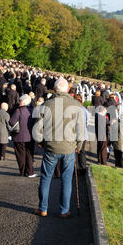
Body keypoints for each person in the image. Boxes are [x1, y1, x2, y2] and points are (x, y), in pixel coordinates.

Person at [35, 77, 85, 218]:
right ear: (67, 90)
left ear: (55, 89)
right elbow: (80, 130)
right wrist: (79, 146)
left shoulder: (46, 104)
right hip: (69, 148)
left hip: (50, 146)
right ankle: (64, 210)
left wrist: (40, 142)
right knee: (66, 179)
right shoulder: (76, 105)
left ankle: (43, 208)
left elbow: (38, 128)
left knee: (46, 178)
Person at [10, 94, 37, 178]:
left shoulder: (18, 111)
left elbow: (11, 122)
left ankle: (22, 172)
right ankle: (30, 172)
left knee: (20, 155)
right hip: (30, 136)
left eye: (20, 101)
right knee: (29, 155)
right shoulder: (32, 111)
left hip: (19, 136)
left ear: (23, 102)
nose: (19, 102)